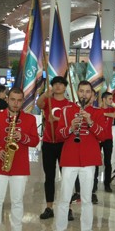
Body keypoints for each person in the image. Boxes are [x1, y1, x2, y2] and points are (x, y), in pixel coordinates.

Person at [50, 81, 107, 231]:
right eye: (81, 91)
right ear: (77, 93)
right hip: (69, 158)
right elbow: (59, 135)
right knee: (64, 198)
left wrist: (90, 122)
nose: (84, 94)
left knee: (87, 199)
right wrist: (70, 127)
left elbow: (103, 136)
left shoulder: (98, 112)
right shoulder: (67, 111)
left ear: (93, 95)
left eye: (87, 92)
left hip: (89, 159)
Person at [0, 87, 40, 231]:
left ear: (23, 101)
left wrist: (22, 137)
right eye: (13, 100)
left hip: (20, 166)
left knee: (17, 201)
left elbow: (35, 141)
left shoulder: (30, 119)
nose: (16, 103)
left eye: (19, 100)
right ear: (7, 99)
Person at [37, 76, 74, 220]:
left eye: (61, 84)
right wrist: (45, 94)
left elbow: (71, 121)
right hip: (48, 142)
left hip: (64, 143)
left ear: (65, 87)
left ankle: (68, 207)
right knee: (49, 176)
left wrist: (57, 119)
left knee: (67, 177)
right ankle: (49, 207)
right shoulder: (48, 101)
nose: (58, 86)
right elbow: (39, 104)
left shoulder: (69, 104)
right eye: (55, 84)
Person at [93, 91, 115, 193]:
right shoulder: (96, 110)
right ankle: (94, 184)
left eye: (112, 99)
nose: (111, 101)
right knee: (95, 162)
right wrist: (105, 113)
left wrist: (105, 113)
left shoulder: (112, 109)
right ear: (103, 99)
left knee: (108, 162)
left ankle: (107, 184)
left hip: (108, 138)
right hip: (97, 138)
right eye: (109, 99)